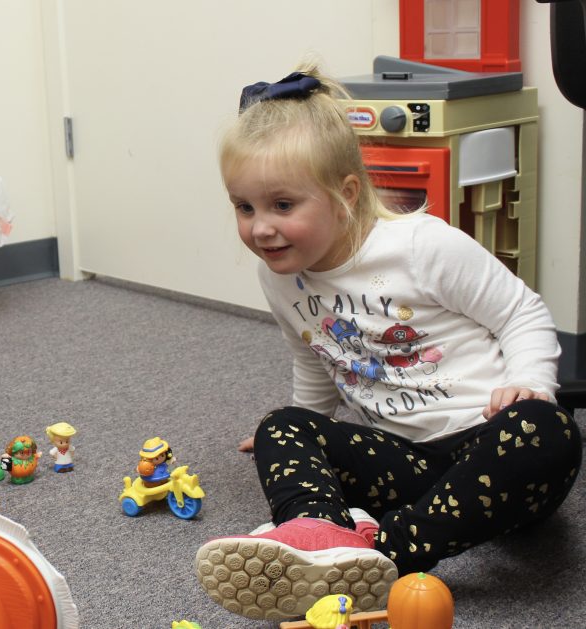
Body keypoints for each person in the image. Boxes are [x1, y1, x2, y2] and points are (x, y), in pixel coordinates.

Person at [193, 63, 582, 621]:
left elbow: (522, 311)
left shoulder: (423, 247)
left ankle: (384, 551)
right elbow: (312, 353)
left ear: (345, 194)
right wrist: (305, 427)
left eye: (282, 205)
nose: (261, 228)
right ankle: (319, 534)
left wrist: (529, 383)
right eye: (243, 206)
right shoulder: (278, 277)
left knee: (549, 432)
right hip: (406, 459)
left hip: (489, 452)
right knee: (279, 425)